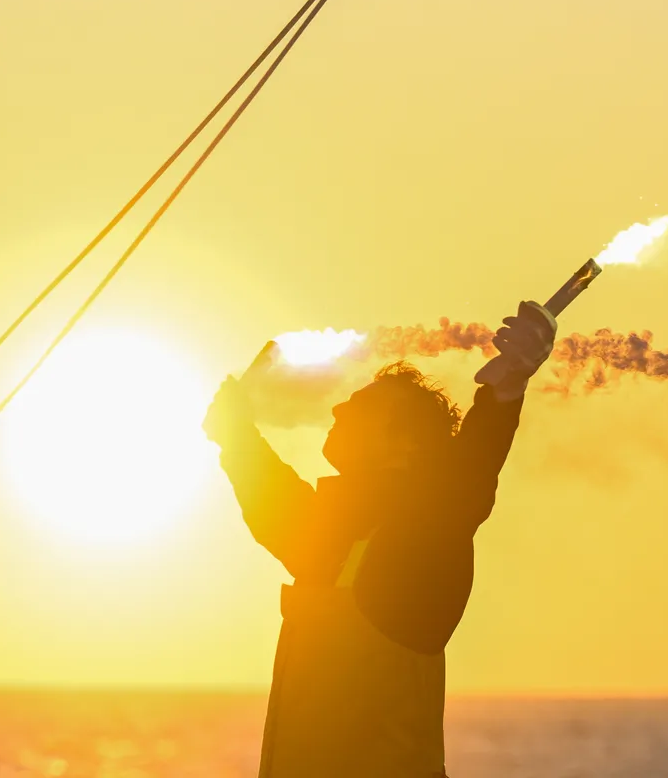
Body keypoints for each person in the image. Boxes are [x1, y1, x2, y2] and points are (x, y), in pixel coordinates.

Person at [202, 300, 558, 778]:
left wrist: (505, 391)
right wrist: (235, 435)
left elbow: (465, 478)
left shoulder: (421, 542)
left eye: (363, 403)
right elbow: (280, 509)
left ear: (407, 445)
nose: (338, 405)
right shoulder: (338, 542)